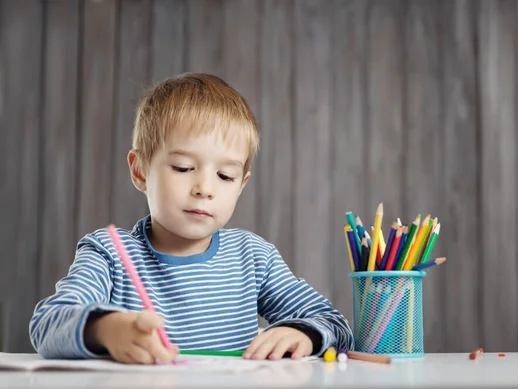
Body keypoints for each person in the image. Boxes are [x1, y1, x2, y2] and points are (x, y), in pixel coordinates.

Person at [29, 73, 353, 364]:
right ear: (140, 170)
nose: (204, 189)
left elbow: (334, 323)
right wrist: (105, 329)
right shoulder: (109, 254)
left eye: (225, 176)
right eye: (184, 168)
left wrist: (303, 334)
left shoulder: (253, 258)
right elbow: (47, 324)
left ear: (242, 185)